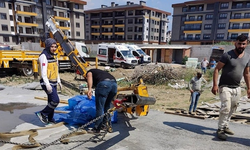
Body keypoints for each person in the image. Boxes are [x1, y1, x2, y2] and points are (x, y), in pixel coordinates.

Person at [211, 34, 250, 140]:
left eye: (243, 44)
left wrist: (249, 88)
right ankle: (220, 130)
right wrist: (215, 85)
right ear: (235, 43)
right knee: (226, 107)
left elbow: (246, 74)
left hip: (237, 87)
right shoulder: (227, 55)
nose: (241, 46)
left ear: (247, 44)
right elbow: (216, 69)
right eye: (239, 43)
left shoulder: (247, 57)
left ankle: (225, 125)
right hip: (225, 86)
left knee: (233, 108)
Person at [36, 38, 62, 124]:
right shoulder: (43, 56)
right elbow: (43, 72)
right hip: (46, 82)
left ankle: (50, 118)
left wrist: (58, 81)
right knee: (55, 100)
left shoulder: (54, 55)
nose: (54, 48)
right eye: (52, 47)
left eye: (55, 47)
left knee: (51, 101)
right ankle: (42, 113)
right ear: (48, 47)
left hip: (53, 81)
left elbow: (56, 69)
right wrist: (47, 84)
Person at [86, 69, 117, 133]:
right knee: (107, 106)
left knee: (100, 108)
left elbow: (89, 76)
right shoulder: (102, 73)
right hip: (114, 85)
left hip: (104, 85)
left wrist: (89, 89)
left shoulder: (90, 71)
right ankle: (105, 125)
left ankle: (97, 128)